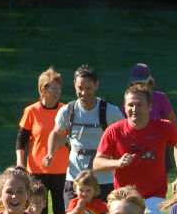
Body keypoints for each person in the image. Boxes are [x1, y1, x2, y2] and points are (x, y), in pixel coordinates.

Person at [95, 85, 177, 214]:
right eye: (130, 105)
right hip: (124, 197)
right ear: (124, 107)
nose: (134, 109)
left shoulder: (164, 128)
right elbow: (97, 163)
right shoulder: (114, 130)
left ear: (149, 107)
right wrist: (117, 163)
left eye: (139, 105)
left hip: (154, 196)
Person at [43, 65, 124, 203]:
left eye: (88, 88)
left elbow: (125, 133)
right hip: (75, 178)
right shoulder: (67, 111)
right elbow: (56, 133)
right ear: (74, 84)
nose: (84, 93)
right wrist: (50, 153)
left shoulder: (110, 111)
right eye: (80, 88)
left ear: (96, 85)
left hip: (103, 180)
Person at [16, 67, 68, 214]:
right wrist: (20, 162)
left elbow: (73, 136)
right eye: (54, 88)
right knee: (38, 213)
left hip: (61, 170)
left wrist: (62, 141)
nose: (58, 91)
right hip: (37, 171)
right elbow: (21, 139)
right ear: (43, 89)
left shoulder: (65, 110)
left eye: (59, 88)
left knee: (63, 213)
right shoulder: (31, 111)